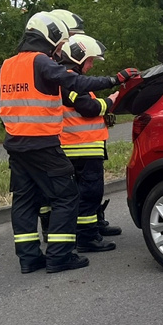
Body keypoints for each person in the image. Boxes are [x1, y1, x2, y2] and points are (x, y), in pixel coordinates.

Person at [0, 12, 139, 274]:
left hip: (16, 144)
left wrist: (6, 112)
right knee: (66, 196)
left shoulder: (8, 65)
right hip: (43, 143)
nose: (59, 49)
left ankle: (29, 259)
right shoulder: (40, 62)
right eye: (59, 44)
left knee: (26, 201)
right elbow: (74, 81)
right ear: (49, 37)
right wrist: (114, 80)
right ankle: (60, 257)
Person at [56, 32, 118, 253]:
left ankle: (92, 229)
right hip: (79, 146)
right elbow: (88, 108)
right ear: (78, 58)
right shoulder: (69, 79)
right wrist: (111, 101)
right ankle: (87, 238)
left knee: (87, 193)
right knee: (89, 193)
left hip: (83, 146)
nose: (91, 65)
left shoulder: (71, 78)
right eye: (90, 60)